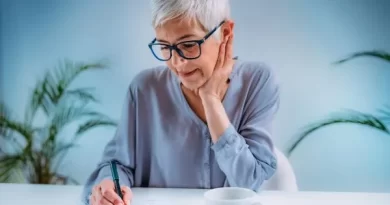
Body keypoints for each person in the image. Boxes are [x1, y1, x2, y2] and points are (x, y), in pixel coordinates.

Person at [82, 0, 280, 204]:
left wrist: (210, 100)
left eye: (188, 45)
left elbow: (250, 181)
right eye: (165, 47)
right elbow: (116, 165)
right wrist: (107, 187)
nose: (176, 63)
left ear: (225, 33)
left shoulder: (257, 81)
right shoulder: (144, 89)